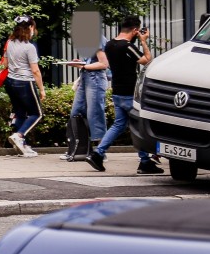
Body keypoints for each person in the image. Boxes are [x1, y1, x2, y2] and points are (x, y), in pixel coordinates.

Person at [87, 17, 160, 174]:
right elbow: (147, 60)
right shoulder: (127, 46)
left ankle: (98, 154)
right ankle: (145, 162)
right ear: (135, 30)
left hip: (117, 91)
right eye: (137, 31)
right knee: (139, 125)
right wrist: (143, 41)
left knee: (119, 124)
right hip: (129, 92)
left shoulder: (109, 44)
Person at [5, 16, 46, 157]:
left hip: (10, 81)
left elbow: (5, 63)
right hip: (24, 82)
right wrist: (41, 89)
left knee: (20, 113)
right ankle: (20, 136)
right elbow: (35, 70)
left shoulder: (10, 43)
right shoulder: (29, 47)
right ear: (29, 28)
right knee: (37, 113)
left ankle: (23, 146)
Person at [63, 45, 109, 161]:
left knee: (95, 114)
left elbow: (103, 64)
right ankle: (78, 149)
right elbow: (92, 61)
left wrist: (81, 66)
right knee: (76, 112)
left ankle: (100, 152)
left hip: (96, 79)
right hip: (85, 77)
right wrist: (82, 63)